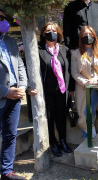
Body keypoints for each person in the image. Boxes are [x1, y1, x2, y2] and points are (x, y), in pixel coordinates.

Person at [29, 22, 74, 157]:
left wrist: (71, 88)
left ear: (58, 33)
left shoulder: (64, 50)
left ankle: (63, 141)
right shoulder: (38, 51)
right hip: (46, 92)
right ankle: (53, 143)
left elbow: (70, 70)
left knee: (61, 117)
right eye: (48, 30)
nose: (51, 32)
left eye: (54, 30)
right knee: (50, 118)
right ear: (43, 34)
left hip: (62, 91)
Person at [0, 10, 27, 180]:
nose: (4, 22)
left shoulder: (10, 41)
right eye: (1, 18)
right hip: (4, 95)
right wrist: (5, 92)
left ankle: (6, 171)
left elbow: (20, 66)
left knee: (10, 135)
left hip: (15, 95)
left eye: (5, 18)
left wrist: (23, 86)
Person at [71, 26, 98, 139]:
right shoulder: (76, 53)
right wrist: (86, 82)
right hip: (83, 87)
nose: (88, 37)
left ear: (94, 36)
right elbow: (74, 72)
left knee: (89, 110)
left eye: (90, 34)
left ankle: (89, 133)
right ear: (81, 37)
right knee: (82, 112)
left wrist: (97, 79)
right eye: (85, 34)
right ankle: (85, 138)